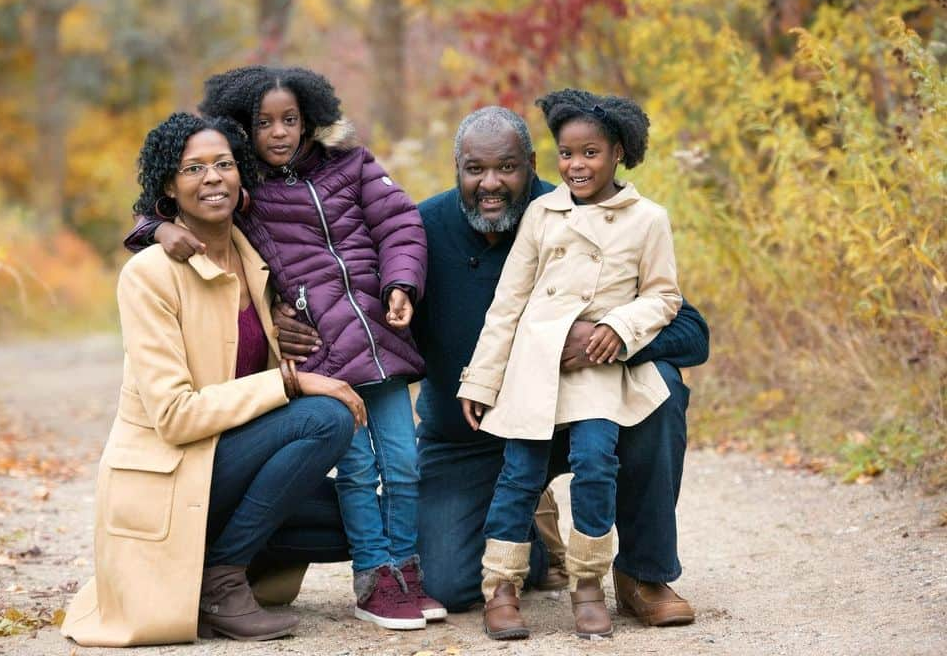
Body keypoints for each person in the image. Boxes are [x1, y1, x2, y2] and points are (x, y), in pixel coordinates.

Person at [274, 104, 709, 632]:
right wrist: (288, 317)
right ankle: (534, 538)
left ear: (531, 164)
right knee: (448, 582)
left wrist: (608, 339)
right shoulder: (421, 230)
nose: (491, 184)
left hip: (573, 413)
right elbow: (351, 291)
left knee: (661, 388)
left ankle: (644, 574)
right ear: (456, 167)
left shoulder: (575, 210)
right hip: (467, 435)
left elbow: (690, 329)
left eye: (507, 167)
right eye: (474, 169)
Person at [123, 66, 445, 630]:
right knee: (355, 467)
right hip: (320, 354)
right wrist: (154, 230)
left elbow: (399, 224)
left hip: (380, 343)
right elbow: (177, 195)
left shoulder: (354, 165)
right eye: (264, 122)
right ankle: (374, 578)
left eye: (290, 120)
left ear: (310, 119)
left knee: (403, 462)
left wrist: (401, 283)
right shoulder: (247, 193)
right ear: (244, 128)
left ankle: (407, 573)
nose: (279, 133)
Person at [62, 113, 364, 646]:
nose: (212, 178)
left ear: (242, 174)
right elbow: (176, 418)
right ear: (169, 187)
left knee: (362, 519)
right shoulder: (150, 275)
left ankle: (209, 564)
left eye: (224, 164)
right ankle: (221, 580)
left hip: (234, 465)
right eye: (193, 168)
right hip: (176, 471)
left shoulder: (259, 261)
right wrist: (294, 384)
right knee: (325, 418)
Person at [459, 90, 680, 640]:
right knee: (519, 475)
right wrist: (482, 378)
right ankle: (502, 588)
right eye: (566, 154)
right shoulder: (542, 212)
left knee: (596, 463)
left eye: (590, 154)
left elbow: (663, 297)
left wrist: (619, 329)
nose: (577, 166)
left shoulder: (648, 219)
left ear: (619, 154)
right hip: (536, 366)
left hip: (598, 371)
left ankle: (588, 583)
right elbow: (508, 302)